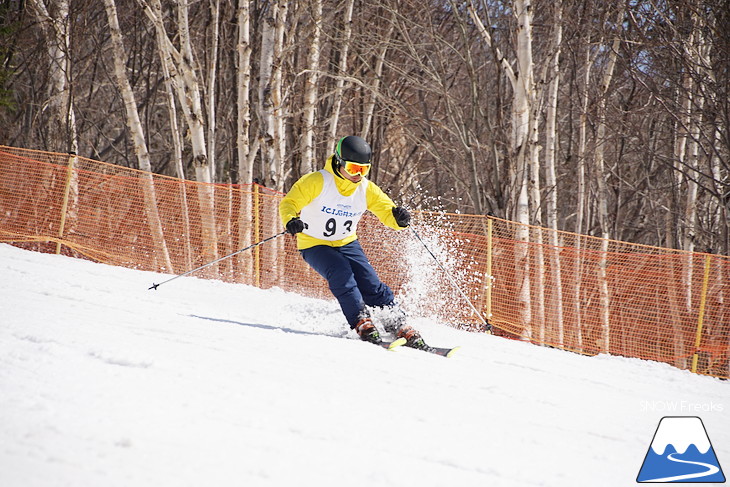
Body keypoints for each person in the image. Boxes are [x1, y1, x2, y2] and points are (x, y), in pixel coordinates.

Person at [279, 135, 428, 349]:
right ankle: (361, 320)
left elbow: (386, 210)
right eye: (352, 168)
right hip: (314, 243)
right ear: (339, 162)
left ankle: (396, 322)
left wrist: (399, 219)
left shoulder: (366, 189)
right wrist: (291, 220)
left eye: (363, 169)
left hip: (347, 242)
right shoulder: (317, 181)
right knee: (341, 273)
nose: (357, 175)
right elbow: (289, 203)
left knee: (371, 282)